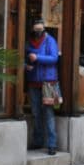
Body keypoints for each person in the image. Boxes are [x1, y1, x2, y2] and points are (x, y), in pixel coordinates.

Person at [24, 18, 59, 155]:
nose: (38, 32)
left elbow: (54, 58)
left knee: (49, 113)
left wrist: (37, 57)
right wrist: (25, 66)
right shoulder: (28, 42)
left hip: (48, 82)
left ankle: (52, 144)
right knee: (36, 113)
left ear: (44, 29)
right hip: (33, 81)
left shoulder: (50, 41)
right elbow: (24, 57)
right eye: (36, 30)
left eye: (40, 30)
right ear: (32, 29)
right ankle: (38, 141)